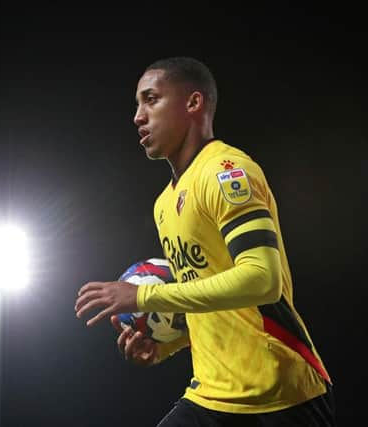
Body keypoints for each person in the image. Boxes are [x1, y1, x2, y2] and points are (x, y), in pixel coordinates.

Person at [74, 56, 336, 426]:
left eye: (151, 100)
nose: (138, 116)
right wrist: (166, 345)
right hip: (211, 395)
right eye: (137, 104)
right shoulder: (164, 204)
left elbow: (262, 280)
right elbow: (213, 299)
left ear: (193, 103)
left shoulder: (227, 172)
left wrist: (142, 296)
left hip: (281, 397)